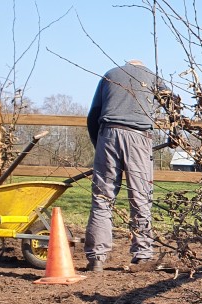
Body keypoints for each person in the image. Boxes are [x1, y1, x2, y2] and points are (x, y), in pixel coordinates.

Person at [84, 59, 160, 272]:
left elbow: (93, 115)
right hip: (138, 136)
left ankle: (96, 258)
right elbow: (172, 102)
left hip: (107, 133)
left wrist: (99, 145)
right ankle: (143, 254)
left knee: (102, 198)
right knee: (140, 197)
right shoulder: (151, 77)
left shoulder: (110, 74)